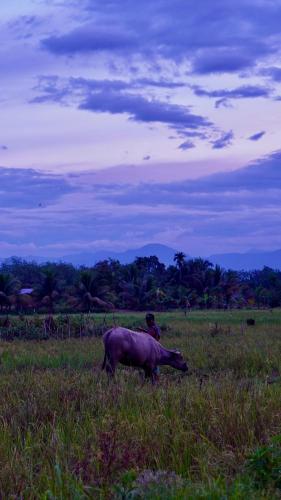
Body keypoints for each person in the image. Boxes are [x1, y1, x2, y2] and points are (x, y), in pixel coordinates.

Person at [137, 313, 161, 379]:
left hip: (154, 350)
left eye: (148, 321)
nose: (147, 322)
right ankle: (148, 379)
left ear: (152, 320)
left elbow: (157, 338)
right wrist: (142, 331)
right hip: (148, 350)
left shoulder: (156, 328)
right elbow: (148, 335)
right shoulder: (150, 328)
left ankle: (155, 379)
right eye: (146, 321)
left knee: (155, 365)